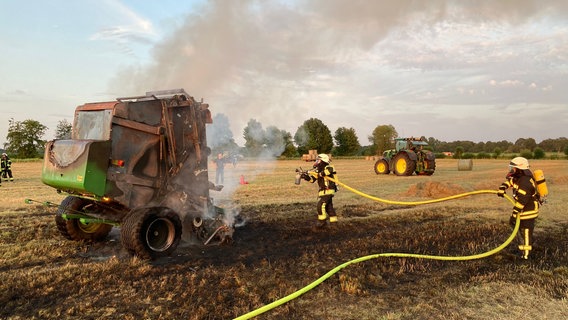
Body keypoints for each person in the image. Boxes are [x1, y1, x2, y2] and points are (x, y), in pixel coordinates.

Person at [497, 157, 540, 260]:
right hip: (522, 210)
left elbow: (522, 200)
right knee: (519, 229)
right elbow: (510, 182)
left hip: (528, 211)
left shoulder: (525, 182)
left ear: (520, 169)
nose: (512, 170)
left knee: (525, 232)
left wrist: (514, 214)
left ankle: (525, 256)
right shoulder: (519, 178)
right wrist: (503, 187)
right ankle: (522, 250)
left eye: (513, 168)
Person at [301, 153, 338, 228]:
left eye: (318, 160)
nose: (316, 162)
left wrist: (318, 173)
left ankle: (322, 222)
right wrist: (306, 177)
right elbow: (312, 180)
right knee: (329, 208)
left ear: (323, 161)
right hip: (323, 191)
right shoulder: (318, 171)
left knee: (320, 205)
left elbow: (327, 172)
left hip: (328, 190)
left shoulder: (329, 167)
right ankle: (334, 224)